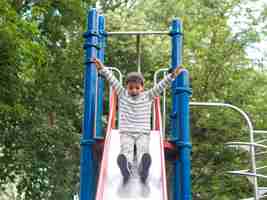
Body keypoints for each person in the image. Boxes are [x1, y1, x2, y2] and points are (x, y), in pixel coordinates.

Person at [93, 58, 183, 185]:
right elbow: (112, 79)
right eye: (131, 88)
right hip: (126, 132)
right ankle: (126, 167)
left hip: (142, 132)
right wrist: (102, 68)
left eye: (137, 87)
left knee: (143, 151)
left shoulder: (148, 95)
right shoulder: (122, 93)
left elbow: (161, 85)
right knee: (126, 151)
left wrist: (172, 76)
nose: (134, 90)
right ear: (126, 87)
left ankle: (143, 169)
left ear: (142, 87)